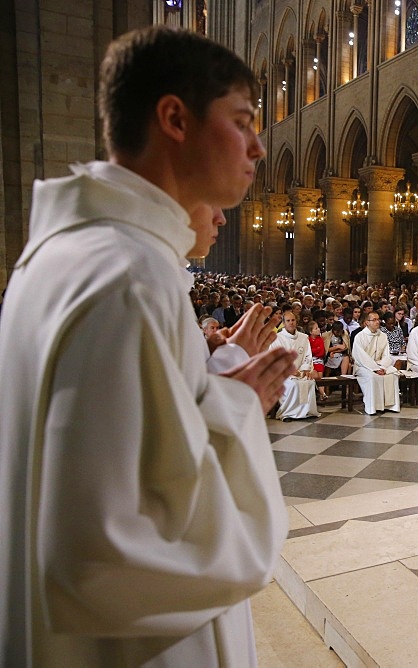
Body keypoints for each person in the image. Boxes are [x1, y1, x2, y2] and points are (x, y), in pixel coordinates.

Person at [0, 26, 295, 666]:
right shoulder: (130, 276)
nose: (258, 146)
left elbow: (125, 441)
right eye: (241, 121)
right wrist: (240, 409)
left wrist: (215, 377)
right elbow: (103, 551)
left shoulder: (72, 254)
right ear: (174, 120)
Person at [270, 308, 321, 420]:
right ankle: (288, 413)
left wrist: (305, 369)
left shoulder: (303, 337)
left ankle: (306, 412)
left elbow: (308, 355)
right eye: (288, 321)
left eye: (293, 320)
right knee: (293, 385)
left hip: (301, 371)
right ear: (283, 323)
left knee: (310, 382)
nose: (291, 323)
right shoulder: (277, 338)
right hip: (284, 373)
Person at [353, 311, 401, 414]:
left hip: (380, 365)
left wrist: (383, 367)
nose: (377, 322)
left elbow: (386, 354)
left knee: (393, 375)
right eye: (374, 320)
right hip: (363, 366)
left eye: (378, 319)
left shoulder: (382, 335)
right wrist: (375, 368)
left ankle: (391, 406)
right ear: (367, 322)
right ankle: (373, 407)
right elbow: (361, 356)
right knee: (372, 377)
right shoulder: (360, 336)